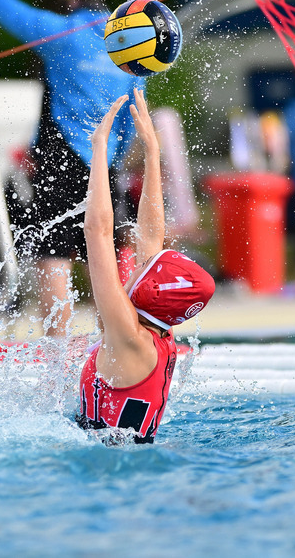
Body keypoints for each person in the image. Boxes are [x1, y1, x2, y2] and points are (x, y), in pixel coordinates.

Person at [0, 0, 142, 337]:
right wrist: (113, 162)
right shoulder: (127, 44)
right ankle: (118, 345)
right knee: (105, 251)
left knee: (55, 252)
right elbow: (135, 115)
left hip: (61, 160)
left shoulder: (59, 33)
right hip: (108, 164)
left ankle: (58, 355)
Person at [75, 90, 215, 444]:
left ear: (148, 289)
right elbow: (150, 235)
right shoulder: (158, 334)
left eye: (144, 267)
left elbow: (97, 232)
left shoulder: (127, 335)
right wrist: (153, 153)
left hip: (106, 465)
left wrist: (98, 149)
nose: (137, 262)